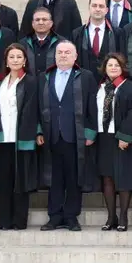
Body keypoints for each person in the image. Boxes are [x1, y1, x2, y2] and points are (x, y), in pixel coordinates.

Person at [40, 41, 98, 232]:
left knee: (74, 178)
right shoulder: (45, 77)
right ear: (54, 56)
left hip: (76, 135)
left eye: (67, 52)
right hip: (52, 136)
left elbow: (92, 105)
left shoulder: (85, 76)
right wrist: (39, 130)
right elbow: (37, 107)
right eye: (60, 52)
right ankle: (54, 217)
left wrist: (90, 132)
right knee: (55, 179)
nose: (63, 55)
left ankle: (71, 217)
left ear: (75, 57)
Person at [0, 43, 41, 230]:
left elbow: (36, 109)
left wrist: (37, 131)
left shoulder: (31, 81)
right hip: (2, 139)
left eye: (19, 57)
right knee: (3, 181)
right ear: (6, 60)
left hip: (22, 139)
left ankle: (19, 221)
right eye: (11, 57)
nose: (15, 60)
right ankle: (3, 221)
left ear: (25, 60)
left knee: (20, 182)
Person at [94, 53, 132, 231]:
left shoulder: (129, 87)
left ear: (122, 68)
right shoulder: (100, 87)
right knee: (107, 178)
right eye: (110, 65)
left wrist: (125, 136)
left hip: (122, 137)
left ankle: (123, 216)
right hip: (104, 136)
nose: (113, 68)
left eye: (116, 65)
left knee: (123, 178)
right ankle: (110, 217)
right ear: (104, 68)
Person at [75, 0, 121, 79]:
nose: (97, 9)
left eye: (101, 6)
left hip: (109, 83)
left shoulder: (117, 33)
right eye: (94, 6)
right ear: (89, 8)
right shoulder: (77, 34)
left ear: (107, 10)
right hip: (84, 83)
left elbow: (122, 60)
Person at [22, 7, 60, 75]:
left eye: (44, 19)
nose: (41, 22)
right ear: (32, 23)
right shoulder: (23, 43)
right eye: (37, 20)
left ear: (51, 23)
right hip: (29, 84)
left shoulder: (61, 43)